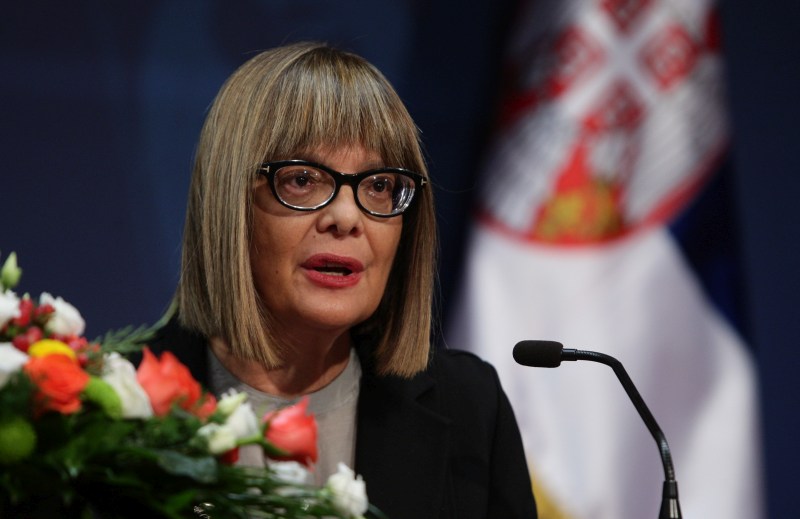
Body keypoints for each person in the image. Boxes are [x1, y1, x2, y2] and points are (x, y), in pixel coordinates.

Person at [149, 41, 537, 518]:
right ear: (228, 202)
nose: (347, 218)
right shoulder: (107, 409)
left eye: (379, 186)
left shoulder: (469, 407)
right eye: (302, 180)